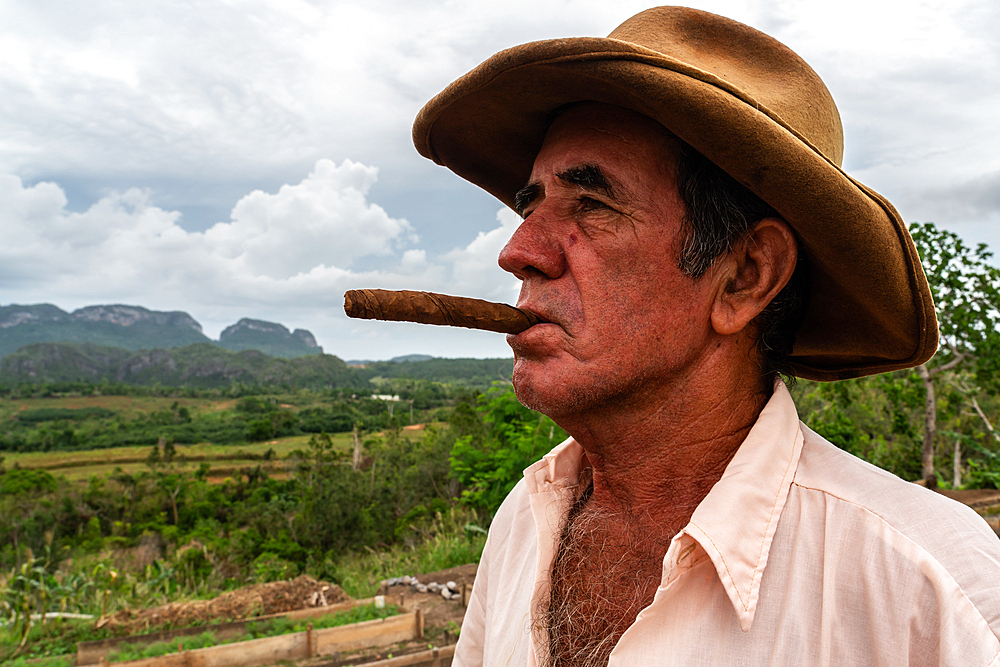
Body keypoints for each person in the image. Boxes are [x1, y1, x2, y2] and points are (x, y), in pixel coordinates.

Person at [411, 6, 1000, 666]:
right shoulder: (525, 518)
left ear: (744, 277)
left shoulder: (929, 590)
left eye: (594, 204)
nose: (519, 251)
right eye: (530, 205)